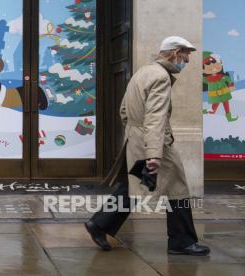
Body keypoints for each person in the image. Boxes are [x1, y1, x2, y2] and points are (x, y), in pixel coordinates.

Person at [85, 36, 210, 256]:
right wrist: (154, 153)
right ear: (173, 52)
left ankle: (101, 223)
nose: (187, 60)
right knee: (177, 188)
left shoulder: (143, 71)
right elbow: (155, 117)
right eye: (185, 54)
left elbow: (124, 110)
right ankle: (182, 242)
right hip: (157, 141)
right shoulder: (161, 76)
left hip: (138, 138)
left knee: (135, 186)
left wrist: (134, 134)